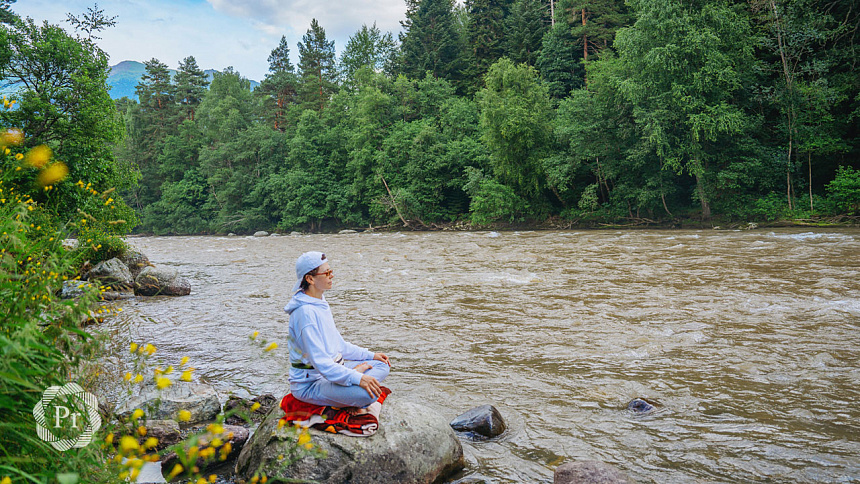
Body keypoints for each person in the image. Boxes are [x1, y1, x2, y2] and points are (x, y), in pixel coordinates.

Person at [285, 251, 390, 414]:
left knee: (382, 364)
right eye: (326, 273)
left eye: (331, 271)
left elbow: (339, 345)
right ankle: (350, 387)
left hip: (333, 371)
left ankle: (348, 380)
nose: (331, 276)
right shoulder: (305, 313)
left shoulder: (319, 302)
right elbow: (322, 364)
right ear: (310, 279)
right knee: (367, 394)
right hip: (311, 384)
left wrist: (370, 355)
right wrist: (358, 378)